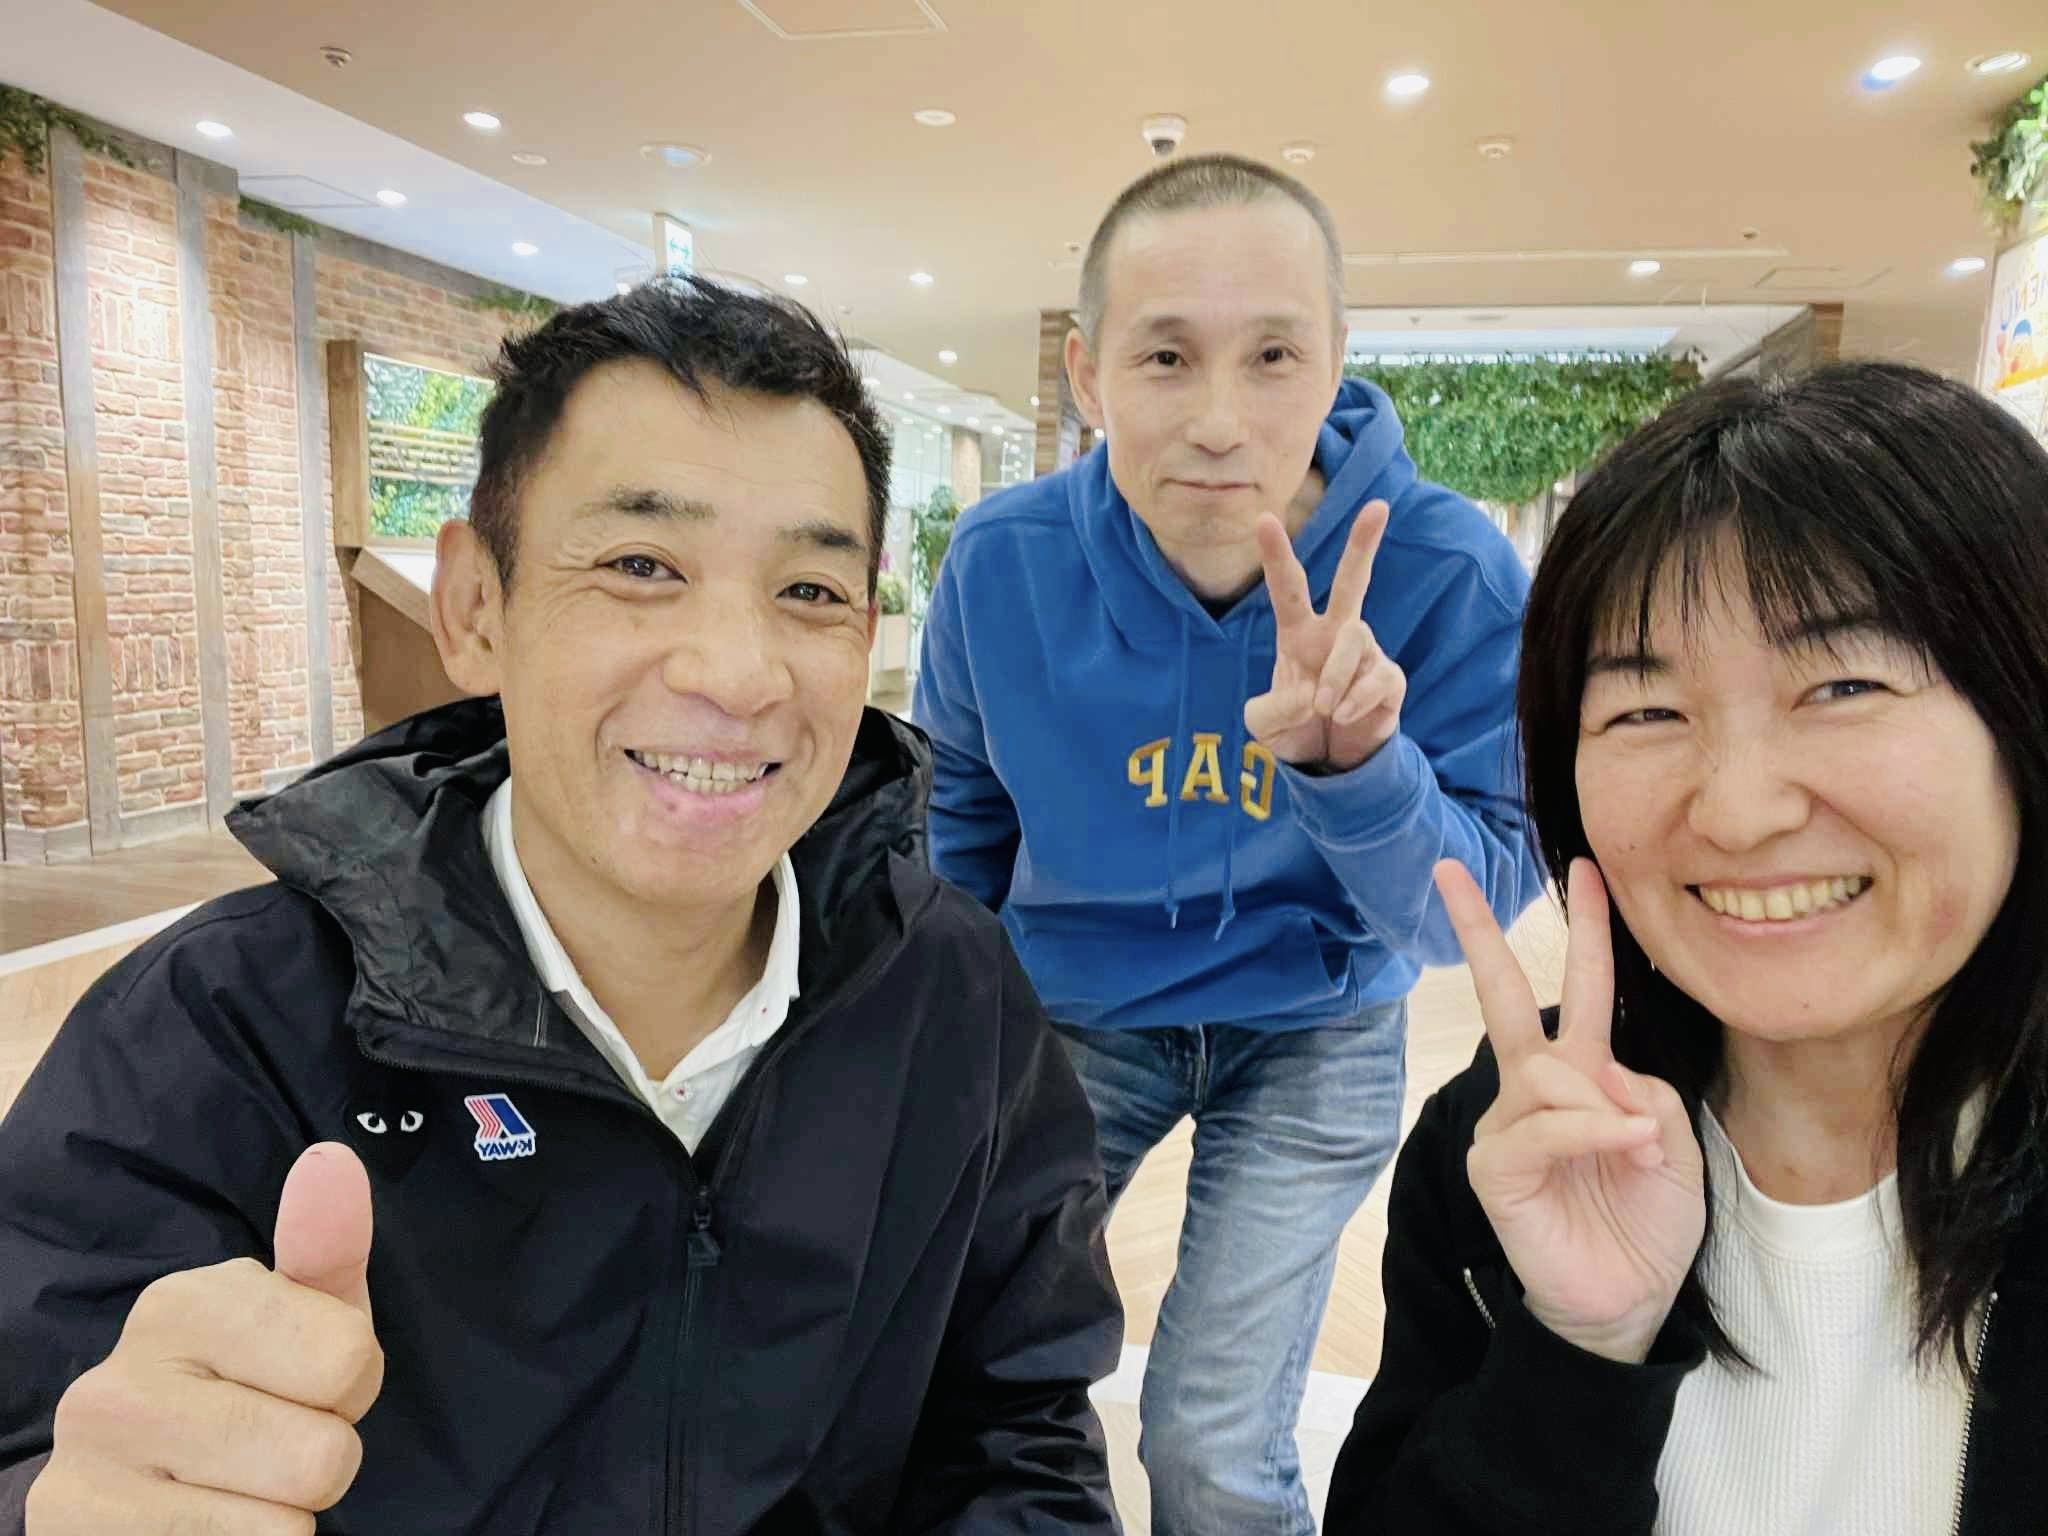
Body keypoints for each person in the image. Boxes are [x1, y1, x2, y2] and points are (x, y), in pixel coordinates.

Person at [0, 278, 1124, 1535]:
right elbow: (44, 1428)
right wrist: (60, 1501)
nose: (735, 674)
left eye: (808, 591)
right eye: (641, 565)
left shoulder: (948, 992)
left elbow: (1017, 1427)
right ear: (474, 609)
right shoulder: (222, 1029)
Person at [914, 153, 1544, 1534]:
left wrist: (1357, 769)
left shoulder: (1443, 571)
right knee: (946, 1354)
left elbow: (1468, 917)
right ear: (1088, 376)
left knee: (1207, 1437)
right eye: (1164, 357)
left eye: (1271, 356)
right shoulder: (1002, 562)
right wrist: (957, 1019)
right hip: (1075, 1011)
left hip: (1318, 1023)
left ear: (1335, 364)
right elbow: (955, 810)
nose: (1216, 421)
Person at [1325, 361, 2048, 1536]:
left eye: (1843, 684)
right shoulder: (1518, 1137)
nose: (1737, 812)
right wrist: (1575, 1352)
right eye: (1645, 711)